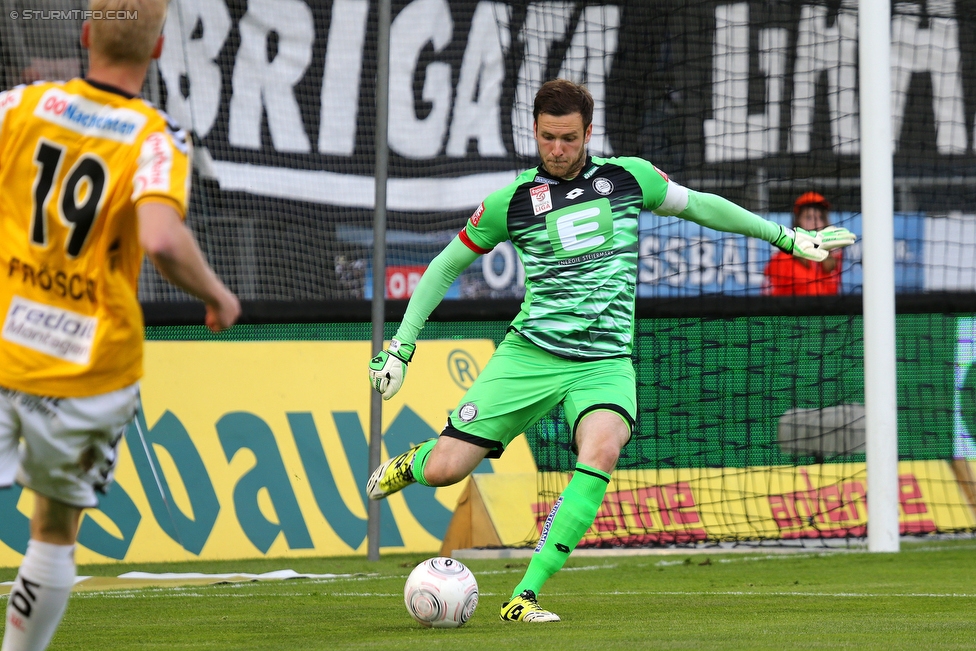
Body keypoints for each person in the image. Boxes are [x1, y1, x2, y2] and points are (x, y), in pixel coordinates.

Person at [366, 79, 855, 623]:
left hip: (605, 363)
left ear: (588, 133)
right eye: (548, 137)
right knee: (445, 470)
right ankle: (414, 462)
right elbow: (444, 267)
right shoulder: (513, 203)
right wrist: (401, 348)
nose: (557, 149)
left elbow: (702, 207)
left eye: (569, 138)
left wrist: (785, 238)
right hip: (531, 354)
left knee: (601, 451)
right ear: (535, 131)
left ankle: (523, 596)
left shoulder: (629, 178)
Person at [0, 1, 240, 649]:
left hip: (5, 349)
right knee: (52, 529)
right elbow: (160, 238)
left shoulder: (20, 107)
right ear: (158, 51)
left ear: (84, 36)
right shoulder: (155, 136)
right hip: (89, 372)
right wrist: (218, 294)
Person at [763, 192, 843, 295]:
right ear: (798, 222)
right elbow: (770, 302)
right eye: (808, 217)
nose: (815, 222)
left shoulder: (833, 259)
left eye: (820, 218)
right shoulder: (781, 259)